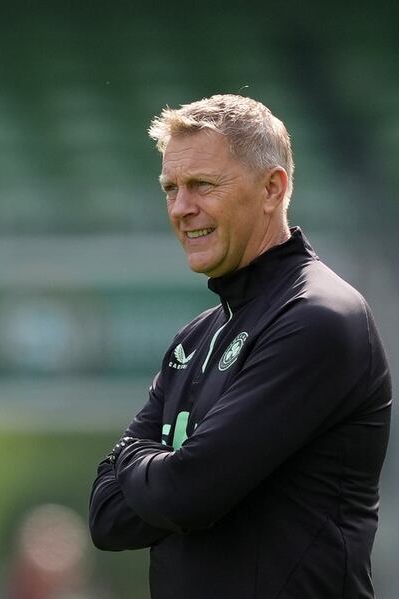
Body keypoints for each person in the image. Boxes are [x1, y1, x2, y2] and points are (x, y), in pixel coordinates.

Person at [89, 94, 392, 598]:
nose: (183, 208)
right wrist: (163, 473)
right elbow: (106, 519)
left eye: (202, 185)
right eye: (171, 189)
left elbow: (186, 495)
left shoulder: (318, 318)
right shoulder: (194, 338)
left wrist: (132, 459)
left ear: (273, 188)